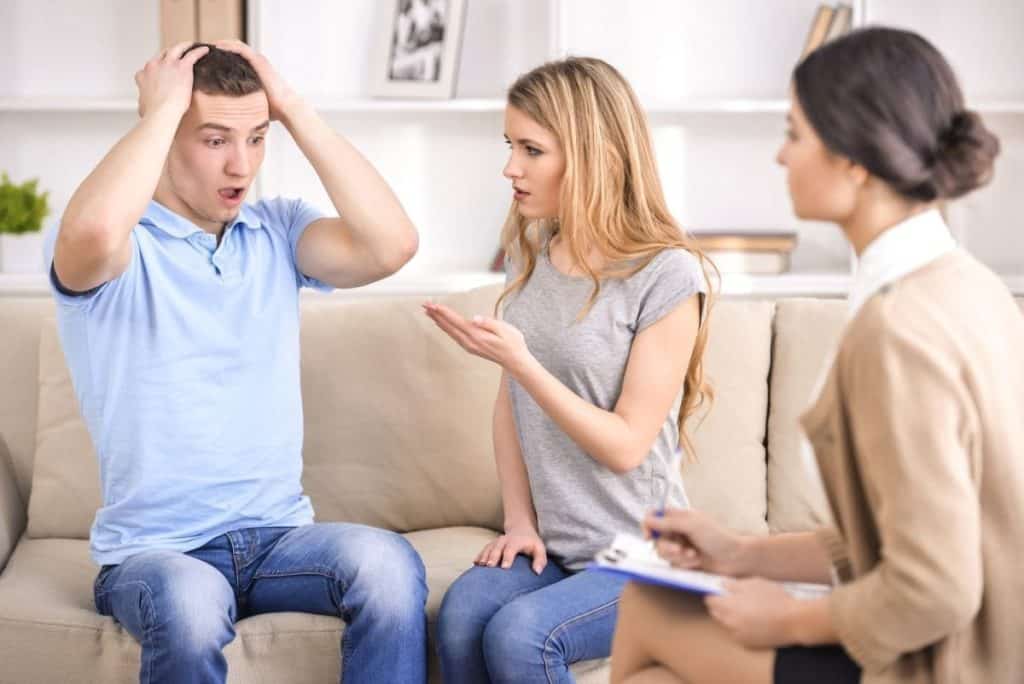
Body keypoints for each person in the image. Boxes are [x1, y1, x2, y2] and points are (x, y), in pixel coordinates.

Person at [610, 26, 1022, 684]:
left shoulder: (899, 330)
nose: (780, 156)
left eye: (794, 133)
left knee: (646, 609)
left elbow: (936, 587)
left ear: (854, 159)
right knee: (652, 605)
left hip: (945, 662)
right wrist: (742, 553)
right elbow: (903, 535)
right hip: (983, 644)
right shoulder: (972, 286)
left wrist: (788, 621)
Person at [46, 41, 427, 683]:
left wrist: (294, 107)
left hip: (280, 541)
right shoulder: (121, 251)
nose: (241, 164)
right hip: (158, 555)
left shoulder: (275, 232)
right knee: (191, 606)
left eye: (256, 138)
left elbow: (391, 245)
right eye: (215, 139)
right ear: (166, 135)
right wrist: (158, 114)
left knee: (388, 566)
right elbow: (89, 238)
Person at [424, 56, 716, 683]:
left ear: (592, 155)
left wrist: (522, 363)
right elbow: (511, 407)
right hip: (557, 547)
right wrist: (520, 522)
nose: (510, 168)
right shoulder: (528, 252)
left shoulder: (667, 275)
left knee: (522, 636)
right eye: (510, 146)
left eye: (532, 149)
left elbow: (626, 446)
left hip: (647, 556)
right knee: (461, 613)